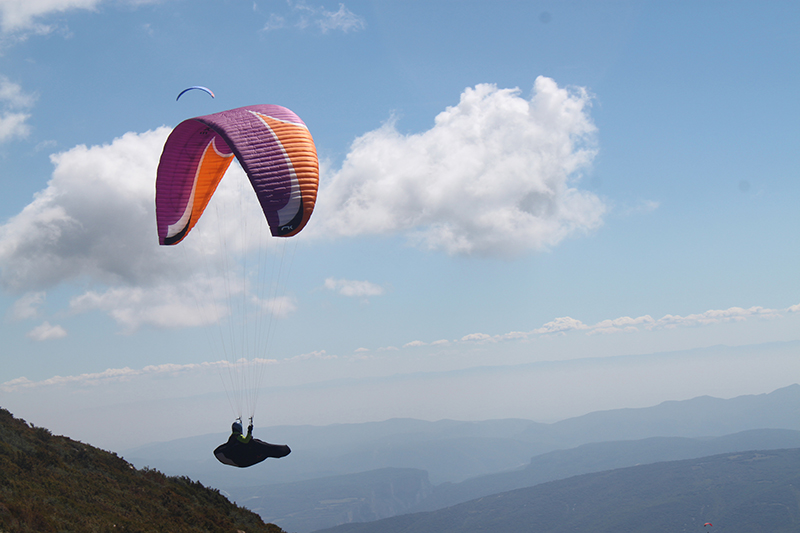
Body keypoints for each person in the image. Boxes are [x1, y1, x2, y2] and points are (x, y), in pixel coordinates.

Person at [214, 417, 291, 468]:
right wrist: (249, 431)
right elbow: (246, 441)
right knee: (255, 443)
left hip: (233, 458)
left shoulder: (233, 436)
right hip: (239, 459)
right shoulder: (238, 437)